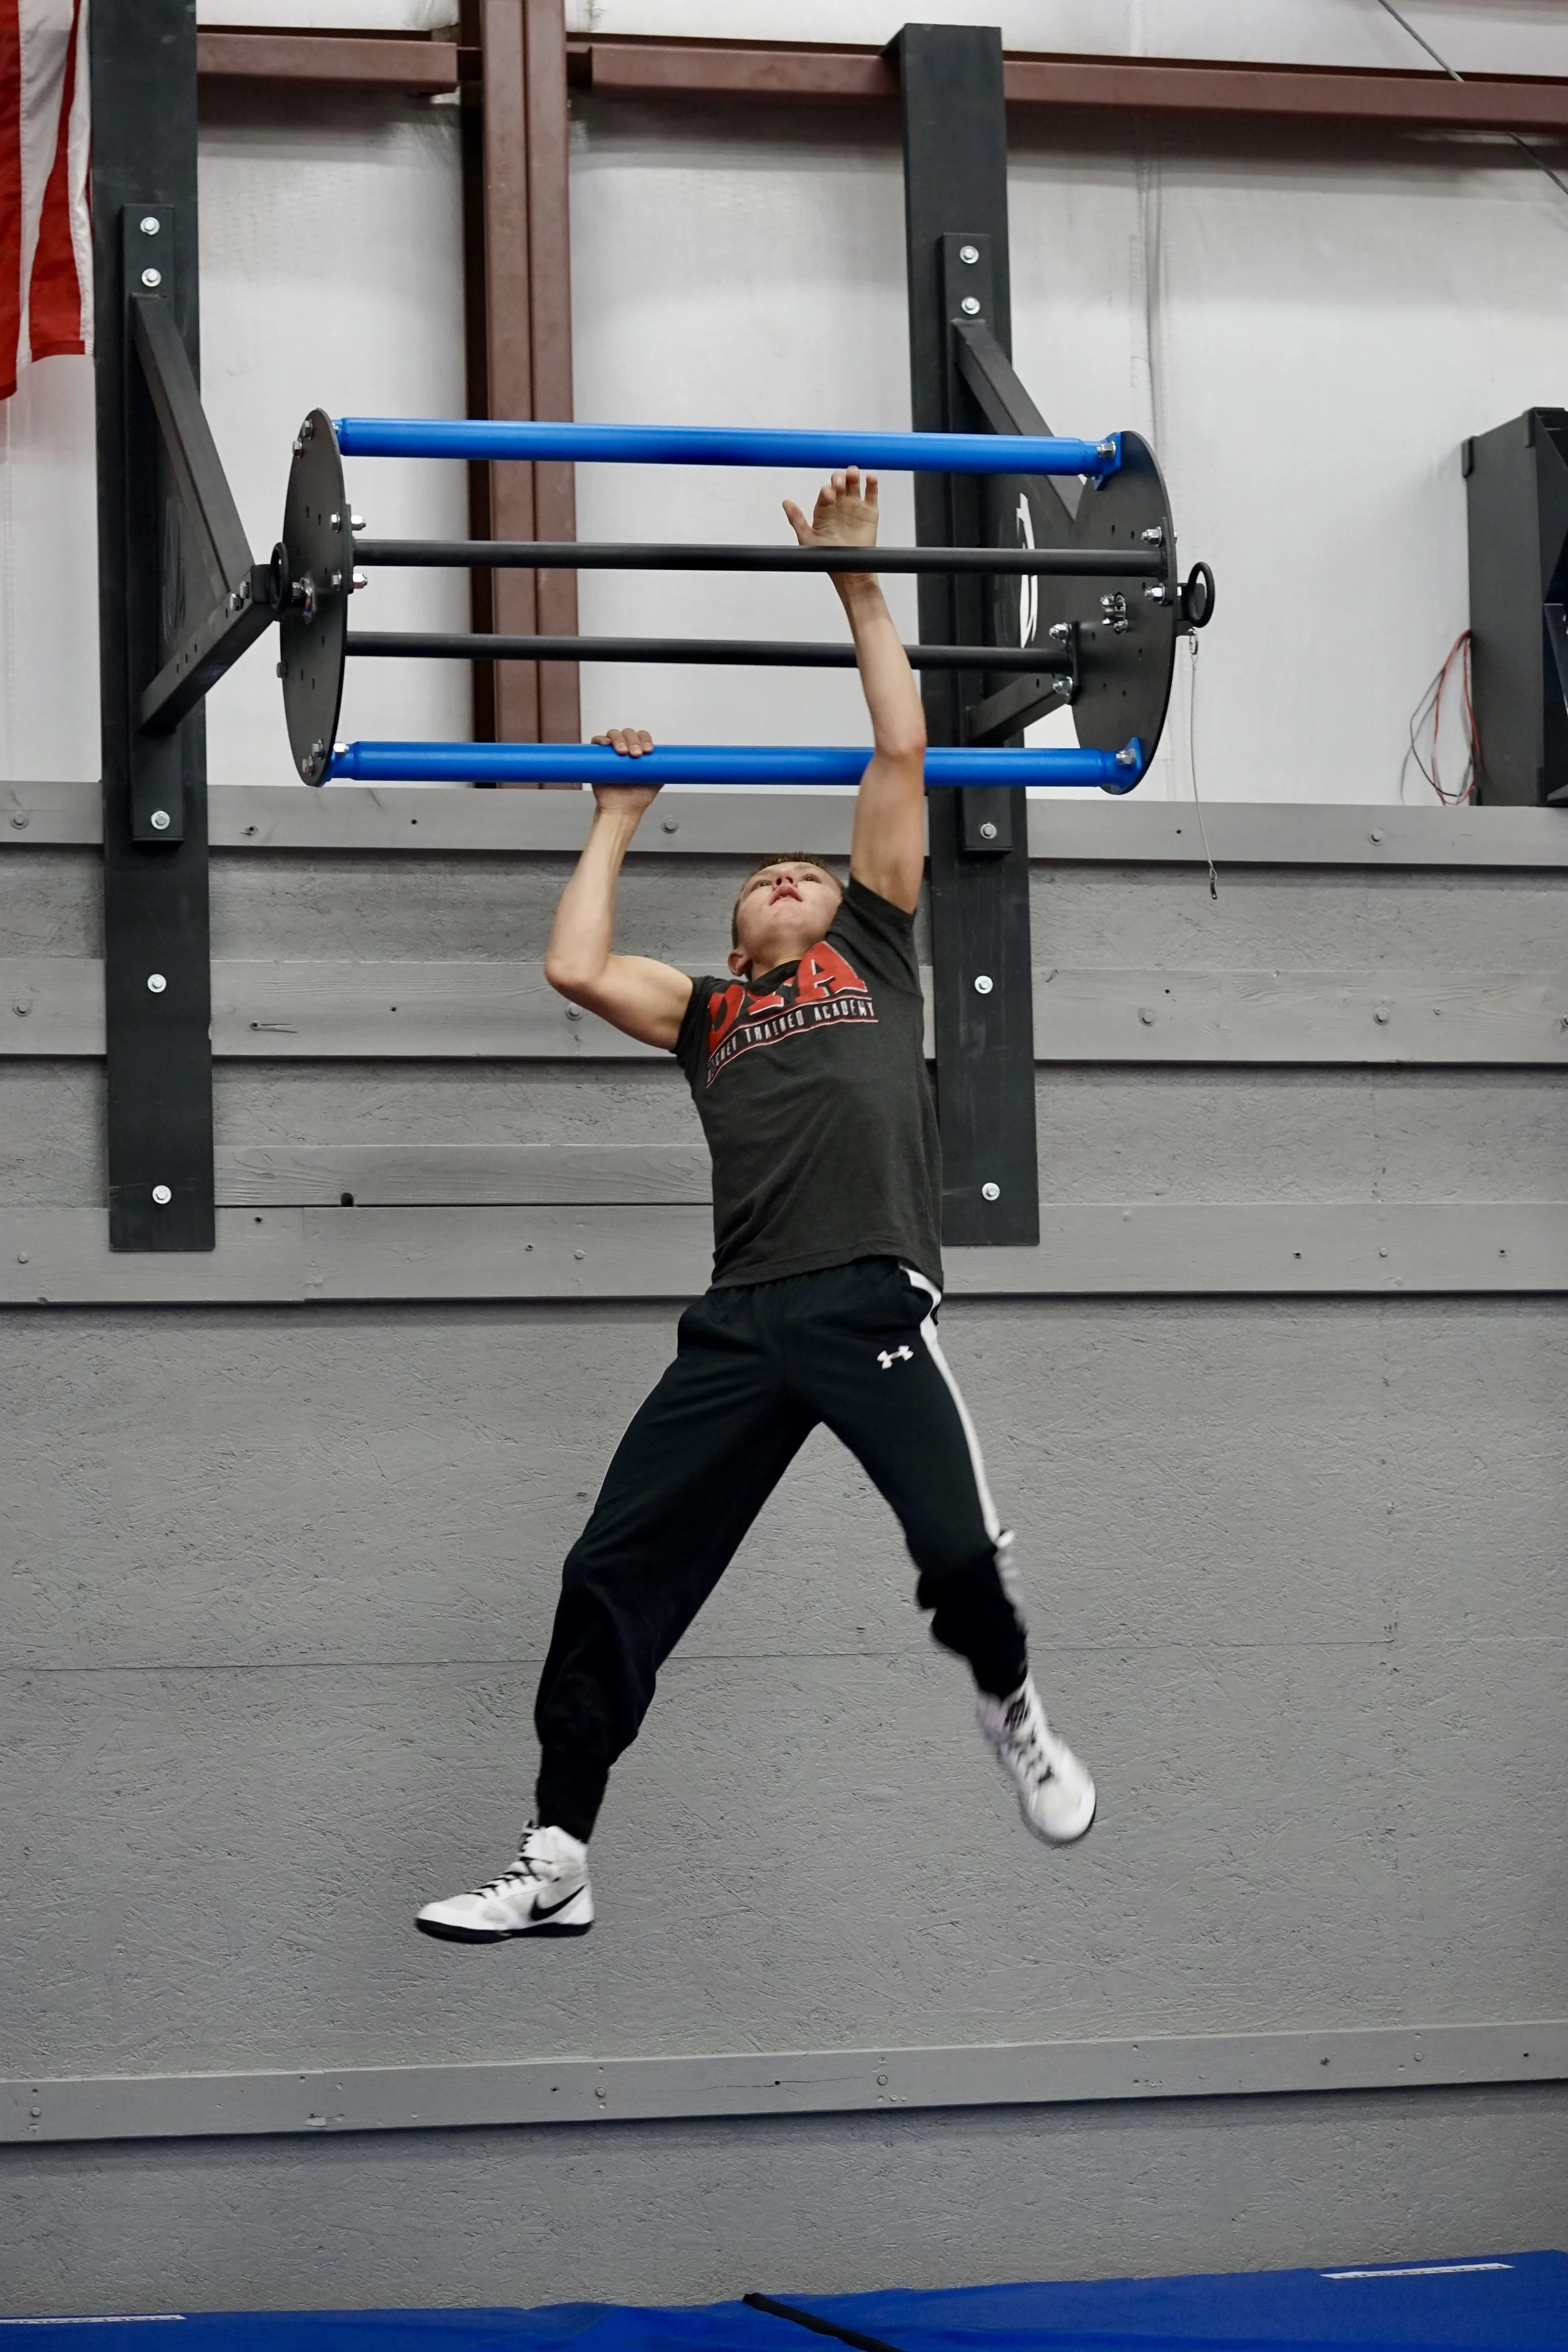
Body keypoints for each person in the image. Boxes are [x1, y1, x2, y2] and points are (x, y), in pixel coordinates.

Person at [416, 466, 1096, 1944]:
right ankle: (557, 1850)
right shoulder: (709, 1011)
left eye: (805, 866)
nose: (792, 873)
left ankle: (1010, 1705)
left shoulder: (876, 943)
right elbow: (577, 968)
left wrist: (853, 582)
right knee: (610, 1567)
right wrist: (616, 812)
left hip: (861, 1296)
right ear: (738, 928)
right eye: (767, 877)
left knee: (957, 1554)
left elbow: (899, 746)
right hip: (734, 1327)